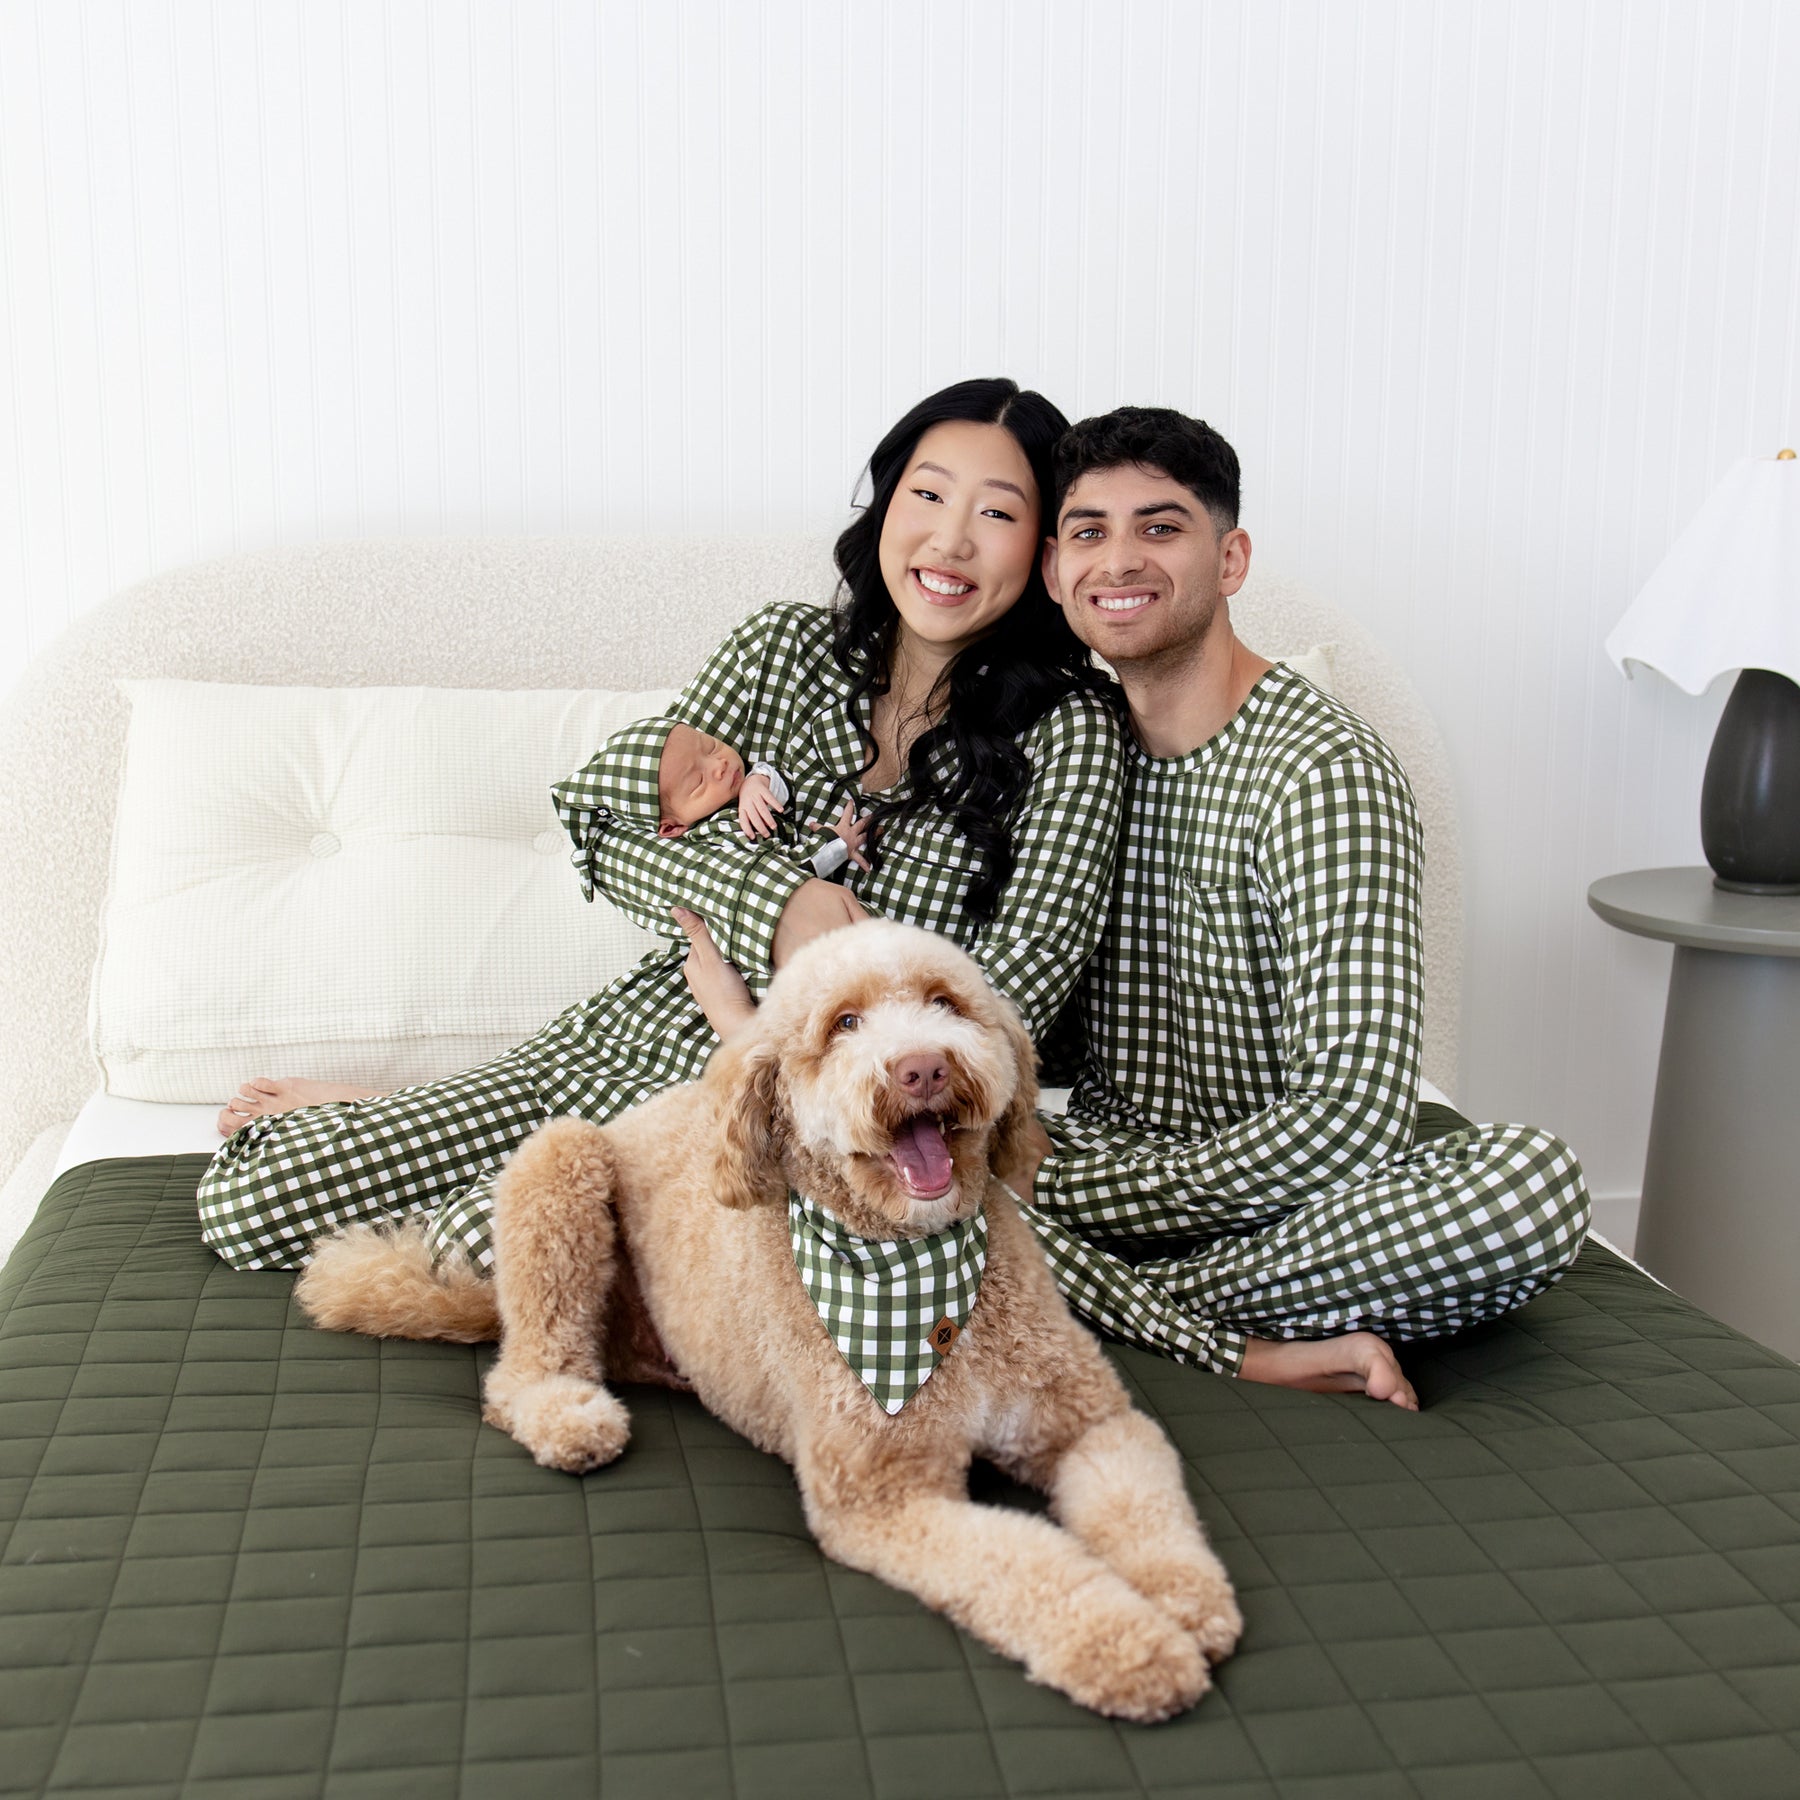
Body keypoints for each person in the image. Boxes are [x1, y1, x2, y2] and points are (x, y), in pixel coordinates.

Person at [198, 378, 1126, 1273]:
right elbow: (605, 815)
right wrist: (778, 903)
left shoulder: (1074, 733)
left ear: (1045, 551)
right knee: (253, 1199)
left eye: (998, 514)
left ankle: (430, 1137)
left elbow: (1017, 1001)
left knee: (482, 1251)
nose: (952, 538)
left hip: (788, 1117)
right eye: (927, 494)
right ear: (887, 505)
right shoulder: (783, 650)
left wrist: (758, 1030)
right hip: (622, 1038)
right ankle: (411, 1115)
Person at [1013, 406, 1591, 1411]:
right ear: (1056, 572)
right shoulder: (1062, 754)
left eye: (1161, 527)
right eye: (1089, 532)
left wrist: (1051, 1192)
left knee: (1531, 1188)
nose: (1120, 561)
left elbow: (1353, 1120)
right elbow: (1032, 1017)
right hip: (1106, 1173)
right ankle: (1096, 1283)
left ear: (1231, 559)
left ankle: (1125, 1302)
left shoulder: (1323, 772)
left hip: (1290, 1206)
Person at [629, 714, 872, 877]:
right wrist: (838, 843)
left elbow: (784, 795)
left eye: (710, 747)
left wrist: (757, 781)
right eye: (698, 781)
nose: (719, 764)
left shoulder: (730, 796)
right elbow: (784, 876)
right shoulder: (721, 836)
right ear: (671, 828)